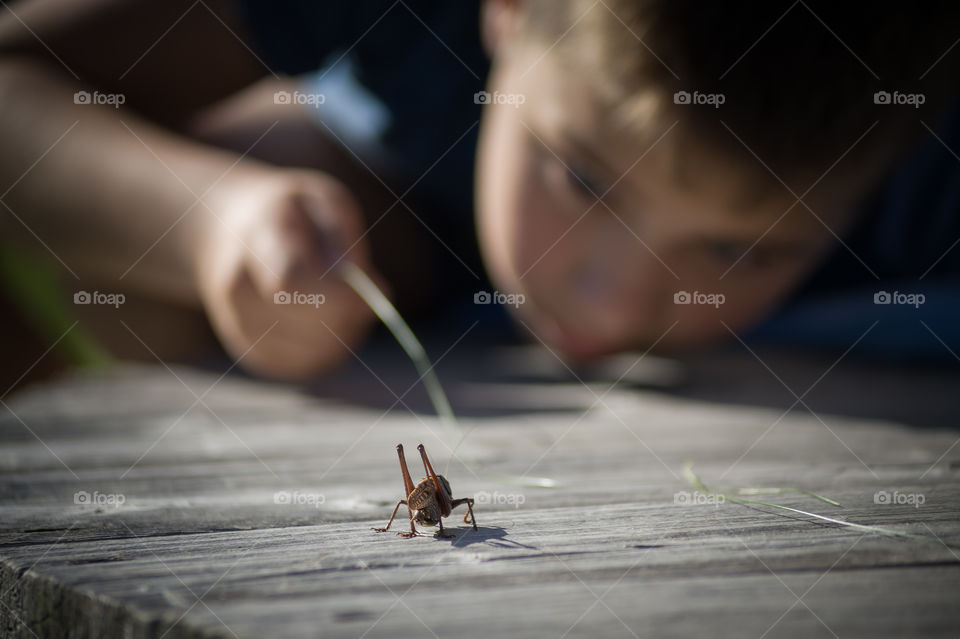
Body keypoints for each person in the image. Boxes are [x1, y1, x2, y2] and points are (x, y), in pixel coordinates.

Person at [1, 0, 958, 389]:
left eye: (743, 248)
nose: (608, 302)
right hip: (399, 203)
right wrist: (211, 223)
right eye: (582, 177)